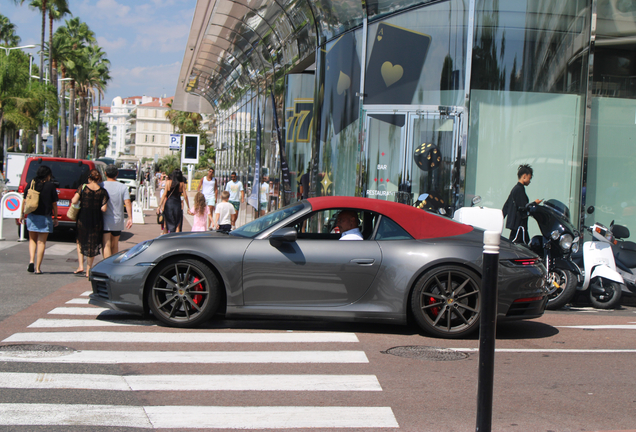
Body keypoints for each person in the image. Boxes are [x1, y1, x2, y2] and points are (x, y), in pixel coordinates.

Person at [19, 165, 59, 274]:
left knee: (32, 240)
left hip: (32, 215)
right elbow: (54, 203)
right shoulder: (50, 186)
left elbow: (24, 199)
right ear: (48, 175)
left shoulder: (32, 182)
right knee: (41, 243)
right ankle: (37, 268)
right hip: (45, 217)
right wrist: (55, 217)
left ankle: (31, 260)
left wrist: (22, 214)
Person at [72, 169, 109, 277]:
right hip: (96, 219)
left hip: (83, 217)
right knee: (91, 243)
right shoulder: (103, 191)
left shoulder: (83, 187)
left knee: (80, 240)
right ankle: (89, 269)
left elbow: (74, 201)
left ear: (89, 177)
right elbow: (104, 208)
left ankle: (80, 266)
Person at [502, 164, 542, 244]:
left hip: (517, 226)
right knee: (520, 247)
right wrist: (535, 203)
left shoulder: (516, 189)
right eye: (529, 178)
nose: (530, 181)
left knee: (515, 244)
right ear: (524, 176)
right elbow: (523, 207)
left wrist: (501, 217)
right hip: (519, 225)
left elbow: (506, 205)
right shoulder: (519, 190)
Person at [101, 165, 133, 258]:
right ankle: (113, 266)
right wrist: (130, 217)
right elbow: (127, 202)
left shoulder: (101, 185)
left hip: (104, 219)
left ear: (105, 173)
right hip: (118, 219)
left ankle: (106, 266)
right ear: (117, 174)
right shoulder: (123, 187)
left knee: (106, 244)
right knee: (115, 244)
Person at [156, 169, 190, 234]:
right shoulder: (182, 184)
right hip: (177, 204)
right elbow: (185, 196)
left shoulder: (168, 182)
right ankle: (176, 239)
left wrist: (159, 206)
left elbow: (164, 194)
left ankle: (165, 238)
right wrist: (188, 207)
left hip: (169, 204)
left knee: (166, 223)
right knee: (177, 224)